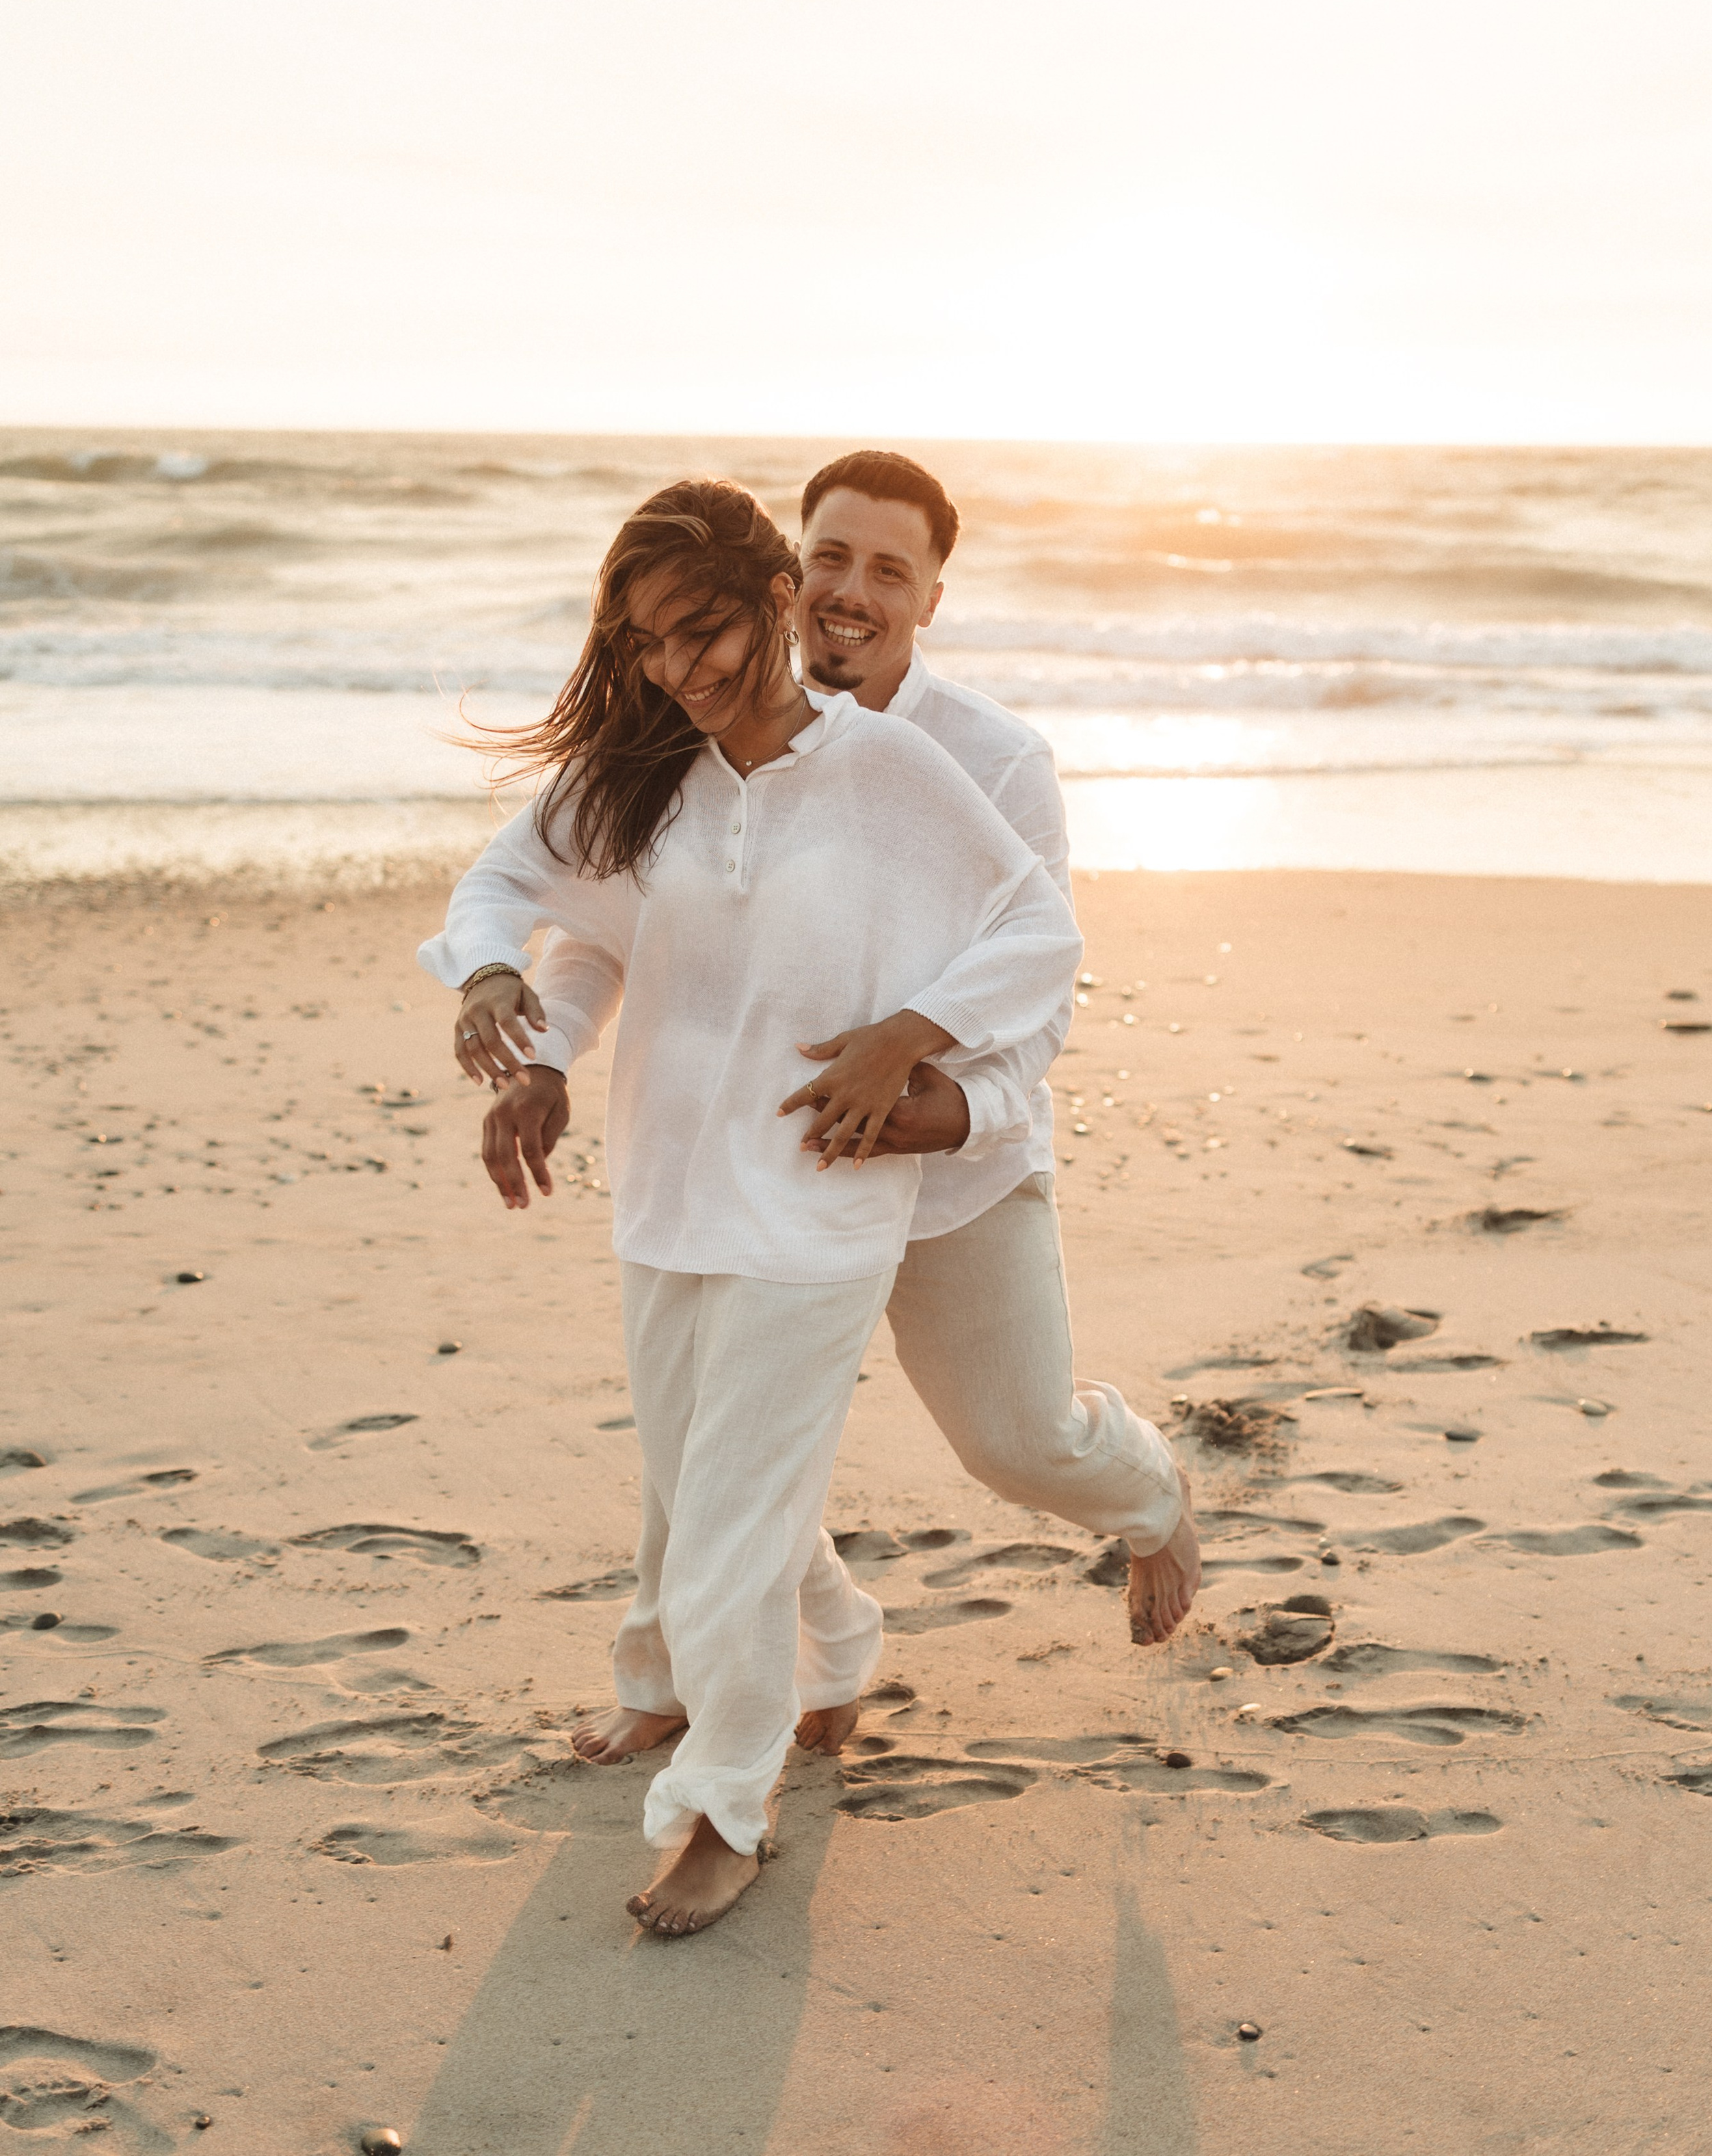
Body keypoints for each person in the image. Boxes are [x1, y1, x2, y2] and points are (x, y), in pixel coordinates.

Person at [421, 479, 1082, 1938]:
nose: (680, 666)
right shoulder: (644, 766)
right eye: (649, 642)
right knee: (706, 1492)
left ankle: (725, 1801)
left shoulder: (891, 771)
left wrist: (912, 1033)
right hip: (662, 1190)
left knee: (722, 1520)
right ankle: (838, 1648)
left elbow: (1037, 928)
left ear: (775, 600)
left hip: (816, 1208)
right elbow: (515, 885)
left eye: (704, 628)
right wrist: (505, 1013)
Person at [488, 450, 1203, 1677]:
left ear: (931, 599)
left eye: (889, 569)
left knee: (1016, 1442)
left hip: (950, 1174)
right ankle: (691, 1686)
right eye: (830, 557)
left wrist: (949, 1100)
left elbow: (1040, 990)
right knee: (708, 1446)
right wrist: (542, 1048)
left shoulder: (993, 759)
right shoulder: (692, 727)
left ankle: (1150, 1496)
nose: (851, 591)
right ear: (785, 574)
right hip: (771, 1166)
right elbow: (614, 934)